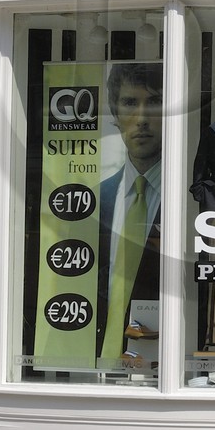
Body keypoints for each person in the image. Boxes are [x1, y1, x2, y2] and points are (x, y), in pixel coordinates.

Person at [96, 62, 163, 361]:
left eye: (155, 102)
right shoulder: (97, 199)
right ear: (115, 113)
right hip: (90, 363)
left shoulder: (187, 202)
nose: (142, 118)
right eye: (129, 103)